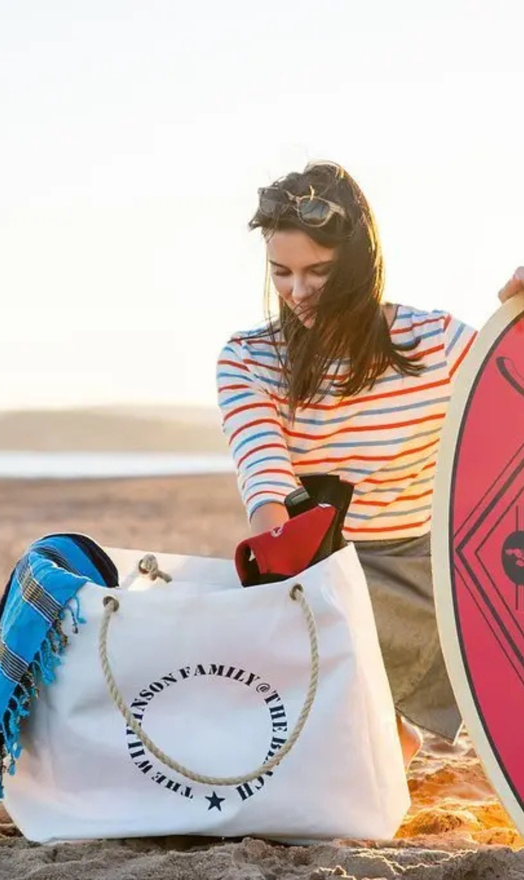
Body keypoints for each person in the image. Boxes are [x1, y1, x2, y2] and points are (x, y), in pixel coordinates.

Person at [216, 160, 524, 767]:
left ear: (359, 264)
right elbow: (265, 475)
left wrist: (515, 330)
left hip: (443, 574)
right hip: (327, 568)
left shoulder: (435, 344)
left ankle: (391, 728)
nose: (297, 292)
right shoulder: (248, 359)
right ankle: (380, 730)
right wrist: (283, 581)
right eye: (281, 272)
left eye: (319, 272)